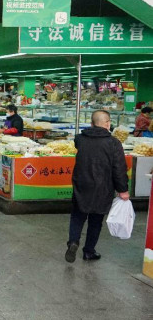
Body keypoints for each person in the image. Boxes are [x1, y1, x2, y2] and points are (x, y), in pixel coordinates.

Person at [66, 110, 129, 263]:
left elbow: (79, 142)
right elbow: (119, 168)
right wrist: (123, 189)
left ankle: (73, 242)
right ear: (108, 124)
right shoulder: (114, 143)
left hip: (82, 184)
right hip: (103, 187)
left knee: (77, 216)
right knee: (96, 220)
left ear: (91, 123)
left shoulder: (80, 139)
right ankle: (89, 251)